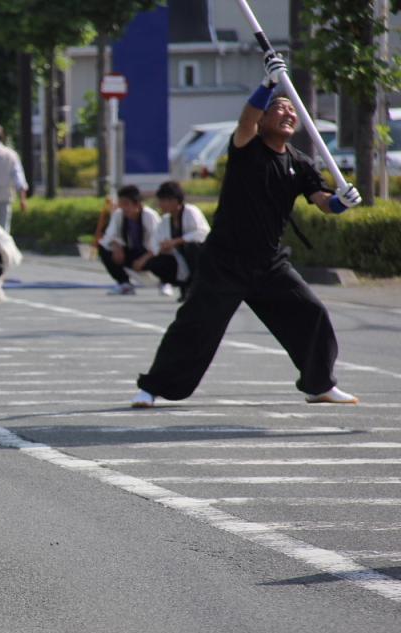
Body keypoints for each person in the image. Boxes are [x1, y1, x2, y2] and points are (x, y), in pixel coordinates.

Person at [131, 54, 362, 408]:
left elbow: (322, 202)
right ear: (263, 119)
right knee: (195, 326)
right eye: (279, 108)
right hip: (224, 260)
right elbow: (245, 120)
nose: (288, 114)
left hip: (268, 263)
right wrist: (268, 84)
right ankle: (152, 388)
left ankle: (319, 384)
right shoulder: (246, 147)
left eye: (292, 110)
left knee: (310, 313)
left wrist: (342, 201)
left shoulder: (300, 162)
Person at [150, 181, 211, 301]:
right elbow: (156, 242)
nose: (160, 205)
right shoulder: (165, 220)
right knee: (156, 262)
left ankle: (196, 286)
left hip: (198, 256)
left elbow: (202, 232)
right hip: (178, 257)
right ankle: (184, 286)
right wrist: (163, 247)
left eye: (163, 201)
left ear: (174, 200)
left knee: (191, 247)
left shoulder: (191, 211)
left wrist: (177, 241)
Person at [97, 185, 162, 295]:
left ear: (137, 204)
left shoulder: (149, 216)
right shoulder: (119, 214)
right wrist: (116, 246)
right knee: (104, 248)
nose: (123, 208)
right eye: (121, 204)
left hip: (150, 254)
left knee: (164, 258)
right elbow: (110, 236)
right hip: (132, 252)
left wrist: (143, 259)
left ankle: (165, 282)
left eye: (126, 204)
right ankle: (124, 283)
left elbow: (158, 243)